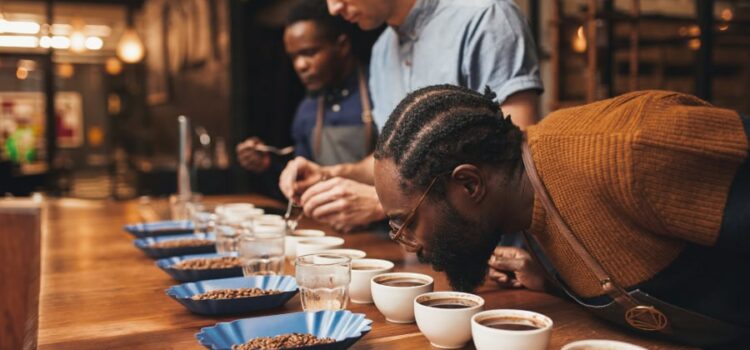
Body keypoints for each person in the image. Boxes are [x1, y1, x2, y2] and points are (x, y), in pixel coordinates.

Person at [372, 84, 750, 347]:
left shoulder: (631, 148)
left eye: (406, 223)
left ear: (469, 184)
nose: (410, 242)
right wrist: (555, 281)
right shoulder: (519, 203)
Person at [279, 0, 543, 232]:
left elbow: (514, 166)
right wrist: (333, 173)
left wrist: (386, 205)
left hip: (496, 258)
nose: (333, 7)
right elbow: (398, 160)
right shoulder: (382, 49)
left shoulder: (486, 16)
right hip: (420, 255)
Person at [236, 0, 375, 178]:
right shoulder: (307, 110)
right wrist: (267, 164)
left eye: (309, 53)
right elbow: (302, 183)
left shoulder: (380, 88)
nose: (300, 65)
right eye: (293, 57)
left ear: (342, 46)